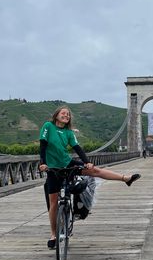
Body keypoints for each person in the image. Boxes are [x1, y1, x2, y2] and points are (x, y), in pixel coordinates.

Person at [39, 105, 141, 249]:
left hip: (67, 163)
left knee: (95, 171)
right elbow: (42, 145)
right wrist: (42, 163)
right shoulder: (48, 126)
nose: (66, 116)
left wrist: (86, 162)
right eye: (63, 113)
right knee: (53, 203)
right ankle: (53, 235)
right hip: (52, 168)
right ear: (56, 115)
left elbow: (77, 148)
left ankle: (126, 178)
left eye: (68, 115)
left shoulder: (68, 133)